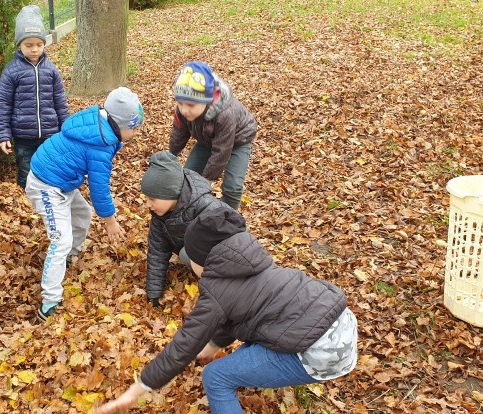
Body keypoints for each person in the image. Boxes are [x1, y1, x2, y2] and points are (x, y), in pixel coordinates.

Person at [95, 208, 358, 414]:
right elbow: (239, 312)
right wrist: (212, 346)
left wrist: (138, 388)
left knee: (216, 376)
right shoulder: (253, 264)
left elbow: (182, 346)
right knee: (244, 354)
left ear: (203, 260)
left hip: (321, 352)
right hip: (341, 323)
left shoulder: (217, 291)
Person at [26, 87, 144, 322]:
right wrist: (111, 221)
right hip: (46, 185)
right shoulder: (99, 145)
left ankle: (69, 256)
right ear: (117, 124)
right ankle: (49, 300)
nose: (136, 132)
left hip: (63, 182)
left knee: (82, 215)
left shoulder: (100, 124)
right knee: (60, 240)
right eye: (133, 128)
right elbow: (99, 188)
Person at [140, 150, 235, 307]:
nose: (148, 204)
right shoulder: (159, 214)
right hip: (197, 252)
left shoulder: (206, 206)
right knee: (187, 253)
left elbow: (236, 237)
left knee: (187, 252)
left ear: (170, 193)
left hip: (226, 257)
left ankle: (220, 287)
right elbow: (157, 251)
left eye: (152, 199)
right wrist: (154, 295)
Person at [0, 5, 70, 188]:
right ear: (19, 45)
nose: (35, 49)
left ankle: (48, 196)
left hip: (50, 133)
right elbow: (3, 104)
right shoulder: (12, 71)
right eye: (28, 45)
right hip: (23, 136)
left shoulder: (51, 70)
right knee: (25, 171)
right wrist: (4, 134)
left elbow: (60, 102)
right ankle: (26, 202)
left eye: (39, 44)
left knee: (50, 168)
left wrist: (66, 129)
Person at [169, 61, 258, 210]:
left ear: (207, 100)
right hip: (206, 141)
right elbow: (179, 133)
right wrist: (172, 155)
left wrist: (207, 179)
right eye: (180, 103)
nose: (184, 110)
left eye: (191, 105)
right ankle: (189, 212)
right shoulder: (183, 110)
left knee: (232, 187)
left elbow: (222, 151)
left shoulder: (225, 114)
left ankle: (229, 218)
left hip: (238, 141)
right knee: (188, 176)